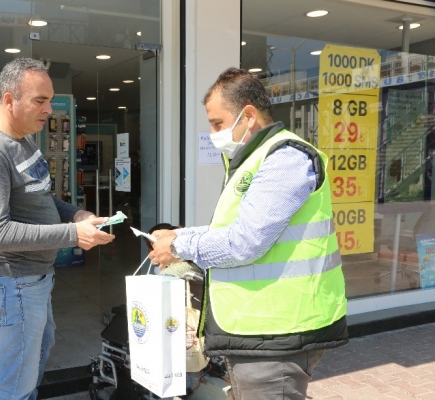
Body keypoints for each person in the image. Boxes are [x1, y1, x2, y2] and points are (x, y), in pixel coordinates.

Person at [149, 67, 349, 400]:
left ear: (249, 115)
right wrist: (180, 235)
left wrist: (180, 245)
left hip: (278, 330)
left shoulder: (284, 159)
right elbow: (235, 228)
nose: (213, 134)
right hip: (260, 326)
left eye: (218, 123)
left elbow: (245, 242)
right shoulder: (253, 159)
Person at [0, 58, 114, 400]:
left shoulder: (24, 139)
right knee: (14, 387)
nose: (48, 110)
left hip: (34, 281)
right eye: (39, 101)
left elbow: (42, 197)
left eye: (50, 100)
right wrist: (73, 235)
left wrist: (76, 214)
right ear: (9, 100)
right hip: (15, 283)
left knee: (29, 373)